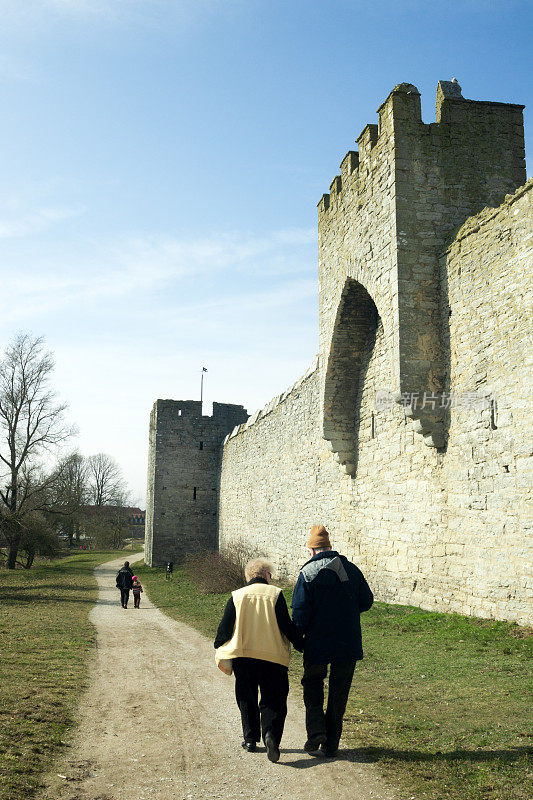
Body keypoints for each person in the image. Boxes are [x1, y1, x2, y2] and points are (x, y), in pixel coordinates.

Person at [291, 525, 373, 758]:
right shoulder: (350, 569)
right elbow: (367, 601)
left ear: (312, 550)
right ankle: (332, 743)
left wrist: (299, 640)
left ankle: (316, 731)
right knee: (339, 691)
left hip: (317, 643)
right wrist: (346, 610)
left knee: (313, 683)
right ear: (329, 547)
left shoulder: (307, 573)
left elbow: (299, 613)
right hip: (348, 642)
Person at [214, 558, 304, 763]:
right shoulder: (276, 594)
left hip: (244, 656)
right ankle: (270, 735)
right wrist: (301, 644)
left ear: (249, 576)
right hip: (273, 657)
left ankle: (250, 739)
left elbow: (225, 626)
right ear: (266, 575)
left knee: (246, 697)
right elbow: (286, 625)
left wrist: (218, 643)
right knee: (273, 699)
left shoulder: (237, 596)